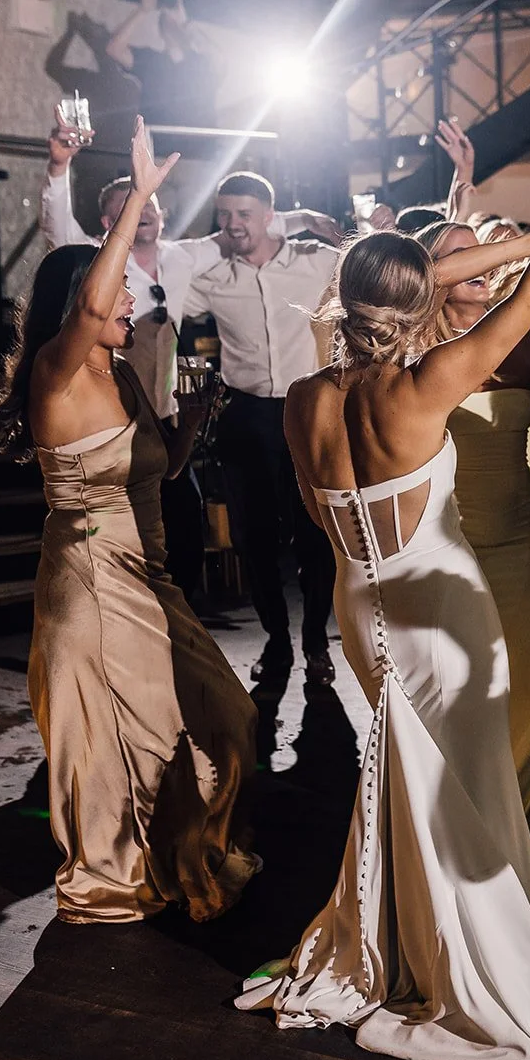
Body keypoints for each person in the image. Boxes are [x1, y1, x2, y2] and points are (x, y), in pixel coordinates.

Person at [233, 101, 530, 1060]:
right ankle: (471, 967)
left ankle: (399, 942)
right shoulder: (428, 388)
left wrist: (410, 270)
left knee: (406, 787)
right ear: (417, 305)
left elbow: (397, 291)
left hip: (360, 607)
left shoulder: (302, 402)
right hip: (443, 609)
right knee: (465, 791)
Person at [0, 119, 258, 922]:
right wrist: (137, 194)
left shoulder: (121, 373)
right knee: (117, 750)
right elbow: (97, 296)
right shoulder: (56, 375)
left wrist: (195, 422)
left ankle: (172, 848)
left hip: (148, 576)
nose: (131, 296)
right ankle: (112, 873)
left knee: (226, 718)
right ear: (81, 307)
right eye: (113, 295)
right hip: (92, 582)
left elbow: (159, 469)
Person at [38, 108, 341, 602]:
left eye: (151, 211)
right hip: (104, 405)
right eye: (132, 213)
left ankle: (174, 609)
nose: (146, 220)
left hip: (162, 408)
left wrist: (301, 217)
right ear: (109, 222)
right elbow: (57, 234)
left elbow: (243, 229)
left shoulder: (182, 258)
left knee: (182, 517)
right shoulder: (96, 260)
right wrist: (57, 170)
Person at [418, 219, 530, 871]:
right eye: (461, 254)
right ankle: (470, 833)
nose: (479, 263)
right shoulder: (413, 348)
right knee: (464, 704)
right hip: (445, 552)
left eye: (482, 250)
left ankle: (524, 834)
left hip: (519, 543)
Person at [184, 170, 344, 684]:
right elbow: (156, 299)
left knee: (316, 533)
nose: (232, 225)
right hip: (244, 414)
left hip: (308, 410)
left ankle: (317, 641)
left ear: (269, 215)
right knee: (253, 539)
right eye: (224, 214)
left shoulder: (317, 260)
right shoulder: (210, 278)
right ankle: (277, 642)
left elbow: (370, 284)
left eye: (244, 214)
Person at [106, 0, 217, 132]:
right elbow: (115, 49)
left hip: (198, 145)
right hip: (160, 144)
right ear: (162, 29)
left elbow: (219, 60)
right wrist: (143, 10)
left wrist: (187, 25)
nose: (173, 22)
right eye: (167, 20)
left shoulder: (201, 62)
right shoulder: (151, 61)